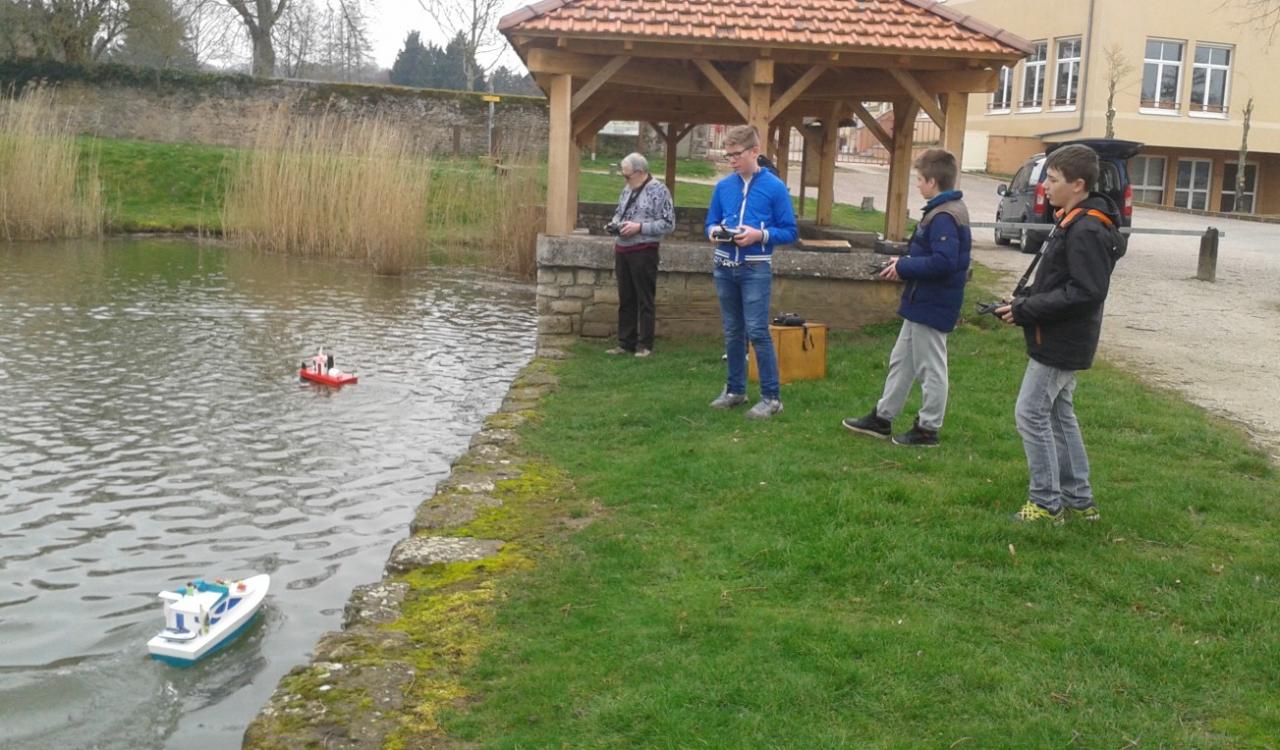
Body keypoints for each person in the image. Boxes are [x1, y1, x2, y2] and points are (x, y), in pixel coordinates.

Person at [995, 144, 1126, 523]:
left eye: (1053, 180)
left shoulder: (1086, 227)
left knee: (1031, 413)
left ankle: (1046, 503)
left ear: (1078, 184)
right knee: (1057, 414)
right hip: (1058, 334)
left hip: (1061, 340)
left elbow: (1086, 292)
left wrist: (1027, 309)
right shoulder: (1075, 218)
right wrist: (1022, 302)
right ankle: (1079, 501)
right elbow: (1061, 281)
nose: (1045, 187)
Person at [843, 148, 971, 446]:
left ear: (932, 182)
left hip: (933, 302)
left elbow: (944, 262)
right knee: (901, 361)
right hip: (920, 300)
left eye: (918, 179)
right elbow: (926, 255)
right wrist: (900, 262)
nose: (916, 185)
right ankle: (882, 418)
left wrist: (903, 266)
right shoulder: (944, 210)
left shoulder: (944, 216)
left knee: (932, 368)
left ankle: (928, 428)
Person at [705, 125, 798, 420]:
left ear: (754, 152)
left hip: (755, 267)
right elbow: (710, 221)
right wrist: (715, 232)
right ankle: (735, 390)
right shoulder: (723, 187)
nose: (731, 160)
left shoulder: (774, 187)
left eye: (736, 154)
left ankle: (771, 398)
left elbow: (790, 231)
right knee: (733, 331)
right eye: (727, 155)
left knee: (757, 331)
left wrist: (759, 236)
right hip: (724, 266)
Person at [605, 152, 675, 358]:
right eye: (624, 176)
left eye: (628, 176)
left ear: (641, 172)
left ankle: (645, 344)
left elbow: (668, 224)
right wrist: (615, 224)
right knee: (626, 297)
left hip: (644, 250)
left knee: (644, 298)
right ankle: (625, 342)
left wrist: (639, 227)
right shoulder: (627, 189)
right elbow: (620, 211)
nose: (625, 180)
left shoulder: (659, 191)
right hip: (622, 248)